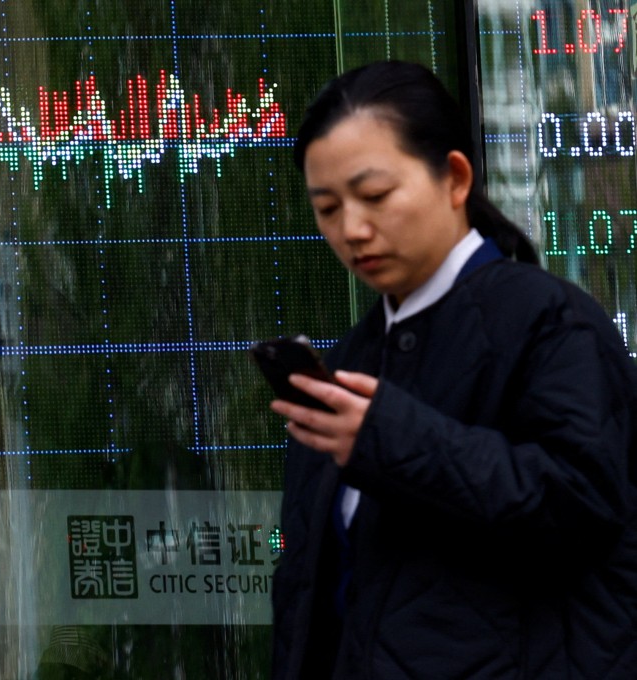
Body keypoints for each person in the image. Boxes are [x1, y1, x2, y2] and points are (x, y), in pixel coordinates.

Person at [269, 60, 637, 679]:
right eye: (327, 208)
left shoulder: (551, 322)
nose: (352, 229)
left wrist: (391, 441)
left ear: (456, 178)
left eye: (376, 196)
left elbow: (582, 503)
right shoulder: (355, 355)